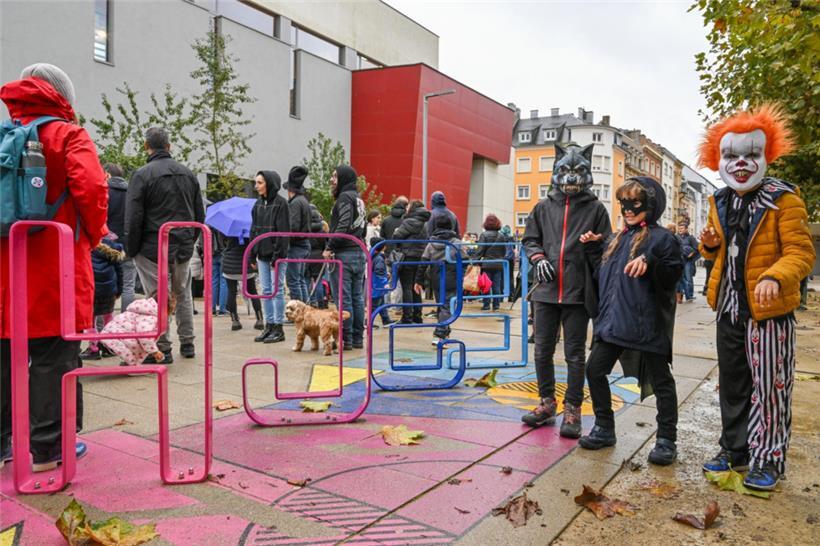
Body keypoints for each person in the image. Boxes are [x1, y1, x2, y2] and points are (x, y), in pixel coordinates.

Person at [698, 106, 814, 490]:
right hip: (729, 310)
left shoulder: (785, 200)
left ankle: (770, 458)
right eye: (732, 156)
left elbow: (801, 253)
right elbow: (719, 255)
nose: (742, 163)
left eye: (751, 154)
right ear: (719, 160)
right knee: (733, 386)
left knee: (770, 388)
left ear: (767, 155)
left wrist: (776, 277)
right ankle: (736, 450)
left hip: (768, 314)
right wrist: (710, 246)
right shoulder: (719, 200)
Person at [1, 63, 108, 470]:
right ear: (63, 95)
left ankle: (1, 443)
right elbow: (93, 187)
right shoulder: (67, 133)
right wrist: (94, 234)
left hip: (6, 263)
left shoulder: (6, 134)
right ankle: (48, 448)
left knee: (4, 350)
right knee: (54, 352)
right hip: (54, 262)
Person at [578, 177, 683, 466]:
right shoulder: (617, 238)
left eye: (634, 203)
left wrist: (651, 261)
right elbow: (605, 279)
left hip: (647, 325)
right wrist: (592, 250)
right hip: (613, 324)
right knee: (594, 370)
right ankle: (604, 427)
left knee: (662, 382)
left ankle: (666, 439)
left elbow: (673, 274)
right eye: (623, 203)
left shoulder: (664, 238)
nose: (627, 209)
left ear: (651, 205)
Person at [521, 143, 612, 439]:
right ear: (556, 172)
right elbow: (530, 239)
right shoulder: (542, 207)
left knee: (575, 355)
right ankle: (546, 402)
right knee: (542, 351)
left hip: (577, 294)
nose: (571, 178)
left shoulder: (596, 209)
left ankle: (573, 407)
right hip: (545, 292)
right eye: (565, 171)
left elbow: (607, 245)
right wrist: (537, 258)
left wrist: (596, 242)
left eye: (578, 171)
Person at [126, 127, 204, 364]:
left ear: (145, 147)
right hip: (182, 246)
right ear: (169, 147)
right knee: (182, 293)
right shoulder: (188, 174)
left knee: (157, 296)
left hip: (152, 247)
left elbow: (134, 217)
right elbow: (199, 214)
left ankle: (162, 347)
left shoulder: (142, 175)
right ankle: (188, 342)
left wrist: (131, 249)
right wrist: (190, 239)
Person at [322, 165, 367, 350]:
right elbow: (361, 227)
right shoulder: (358, 199)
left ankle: (346, 339)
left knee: (344, 298)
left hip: (345, 254)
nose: (332, 180)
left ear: (344, 178)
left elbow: (343, 225)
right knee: (357, 298)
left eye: (335, 176)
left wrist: (329, 246)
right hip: (358, 252)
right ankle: (357, 338)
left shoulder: (344, 198)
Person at [414, 215, 468, 345]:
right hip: (452, 275)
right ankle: (439, 335)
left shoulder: (431, 243)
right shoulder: (456, 243)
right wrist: (462, 273)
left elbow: (423, 262)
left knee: (441, 305)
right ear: (451, 226)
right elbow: (465, 259)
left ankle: (445, 334)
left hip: (436, 276)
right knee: (447, 307)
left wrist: (418, 280)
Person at [251, 170, 290, 344]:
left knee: (277, 290)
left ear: (268, 183)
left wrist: (277, 256)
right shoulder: (257, 204)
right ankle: (269, 324)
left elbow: (282, 232)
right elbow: (254, 230)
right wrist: (252, 253)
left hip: (276, 255)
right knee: (266, 290)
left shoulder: (281, 204)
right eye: (256, 183)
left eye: (259, 183)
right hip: (262, 254)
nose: (256, 186)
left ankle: (278, 327)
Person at [79, 234, 125, 360]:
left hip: (92, 291)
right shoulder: (114, 251)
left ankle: (93, 348)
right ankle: (108, 346)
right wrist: (119, 290)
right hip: (109, 291)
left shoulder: (87, 247)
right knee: (108, 317)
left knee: (90, 321)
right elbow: (120, 272)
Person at [101, 293, 176, 367]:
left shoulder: (143, 308)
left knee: (133, 337)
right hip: (116, 340)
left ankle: (129, 363)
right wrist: (154, 351)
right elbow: (145, 336)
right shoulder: (151, 317)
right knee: (136, 343)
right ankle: (132, 363)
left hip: (109, 334)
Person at [103, 163, 138, 312]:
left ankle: (102, 325)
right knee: (128, 285)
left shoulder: (105, 191)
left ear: (107, 174)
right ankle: (125, 320)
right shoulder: (132, 191)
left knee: (104, 282)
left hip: (107, 244)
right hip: (129, 243)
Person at [391, 200, 431, 325]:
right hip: (421, 257)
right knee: (417, 286)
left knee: (407, 287)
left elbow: (397, 237)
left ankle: (407, 317)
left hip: (408, 256)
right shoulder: (425, 224)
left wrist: (396, 232)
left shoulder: (409, 221)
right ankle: (417, 316)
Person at [221, 235, 263, 331]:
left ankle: (235, 321)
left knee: (231, 292)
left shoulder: (227, 229)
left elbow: (222, 243)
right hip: (246, 264)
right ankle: (259, 319)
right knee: (253, 292)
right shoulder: (249, 229)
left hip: (230, 264)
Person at [284, 166, 311, 303]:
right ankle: (304, 310)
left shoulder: (295, 203)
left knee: (294, 281)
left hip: (296, 246)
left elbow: (293, 227)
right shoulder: (304, 201)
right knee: (300, 280)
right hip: (304, 244)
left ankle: (298, 311)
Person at [476, 214, 509, 311]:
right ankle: (496, 305)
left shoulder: (484, 235)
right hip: (498, 264)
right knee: (496, 286)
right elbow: (503, 251)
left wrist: (474, 260)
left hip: (487, 264)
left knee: (486, 285)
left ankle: (486, 305)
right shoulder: (501, 236)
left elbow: (480, 250)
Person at [369, 237, 394, 327]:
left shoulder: (372, 254)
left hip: (375, 284)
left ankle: (385, 319)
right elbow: (379, 271)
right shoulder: (379, 258)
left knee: (381, 303)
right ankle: (368, 321)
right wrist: (385, 282)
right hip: (378, 285)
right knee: (375, 305)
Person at [307, 205, 328, 308]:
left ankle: (310, 301)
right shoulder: (322, 231)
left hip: (307, 256)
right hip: (319, 257)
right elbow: (325, 246)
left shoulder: (305, 230)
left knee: (306, 281)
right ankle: (321, 303)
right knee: (318, 281)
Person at [676, 221, 700, 303]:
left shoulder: (691, 238)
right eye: (679, 228)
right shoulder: (676, 237)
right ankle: (680, 296)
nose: (680, 230)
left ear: (686, 229)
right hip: (679, 260)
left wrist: (692, 253)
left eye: (682, 228)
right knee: (679, 279)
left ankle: (689, 295)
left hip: (688, 261)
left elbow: (698, 248)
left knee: (688, 278)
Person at [209, 220, 228, 316]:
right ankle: (222, 309)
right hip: (223, 254)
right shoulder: (223, 224)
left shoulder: (208, 224)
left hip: (212, 254)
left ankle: (212, 308)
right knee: (224, 280)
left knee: (214, 281)